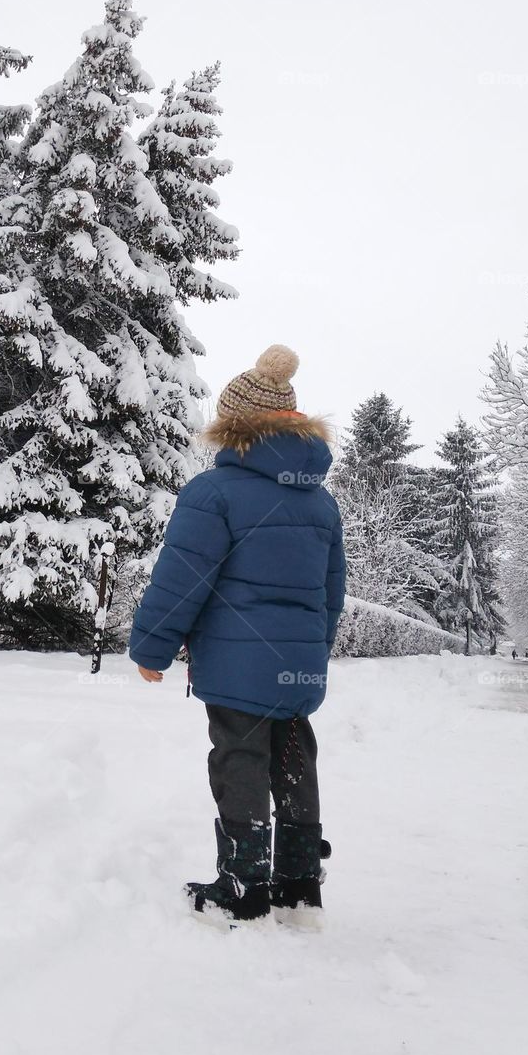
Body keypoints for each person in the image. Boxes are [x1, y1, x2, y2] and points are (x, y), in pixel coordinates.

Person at [128, 345, 345, 925]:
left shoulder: (214, 493)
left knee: (240, 757)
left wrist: (151, 647)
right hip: (298, 664)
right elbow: (332, 593)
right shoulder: (320, 503)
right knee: (295, 755)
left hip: (236, 662)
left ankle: (243, 887)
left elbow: (182, 578)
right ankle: (299, 882)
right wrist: (312, 653)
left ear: (234, 425)